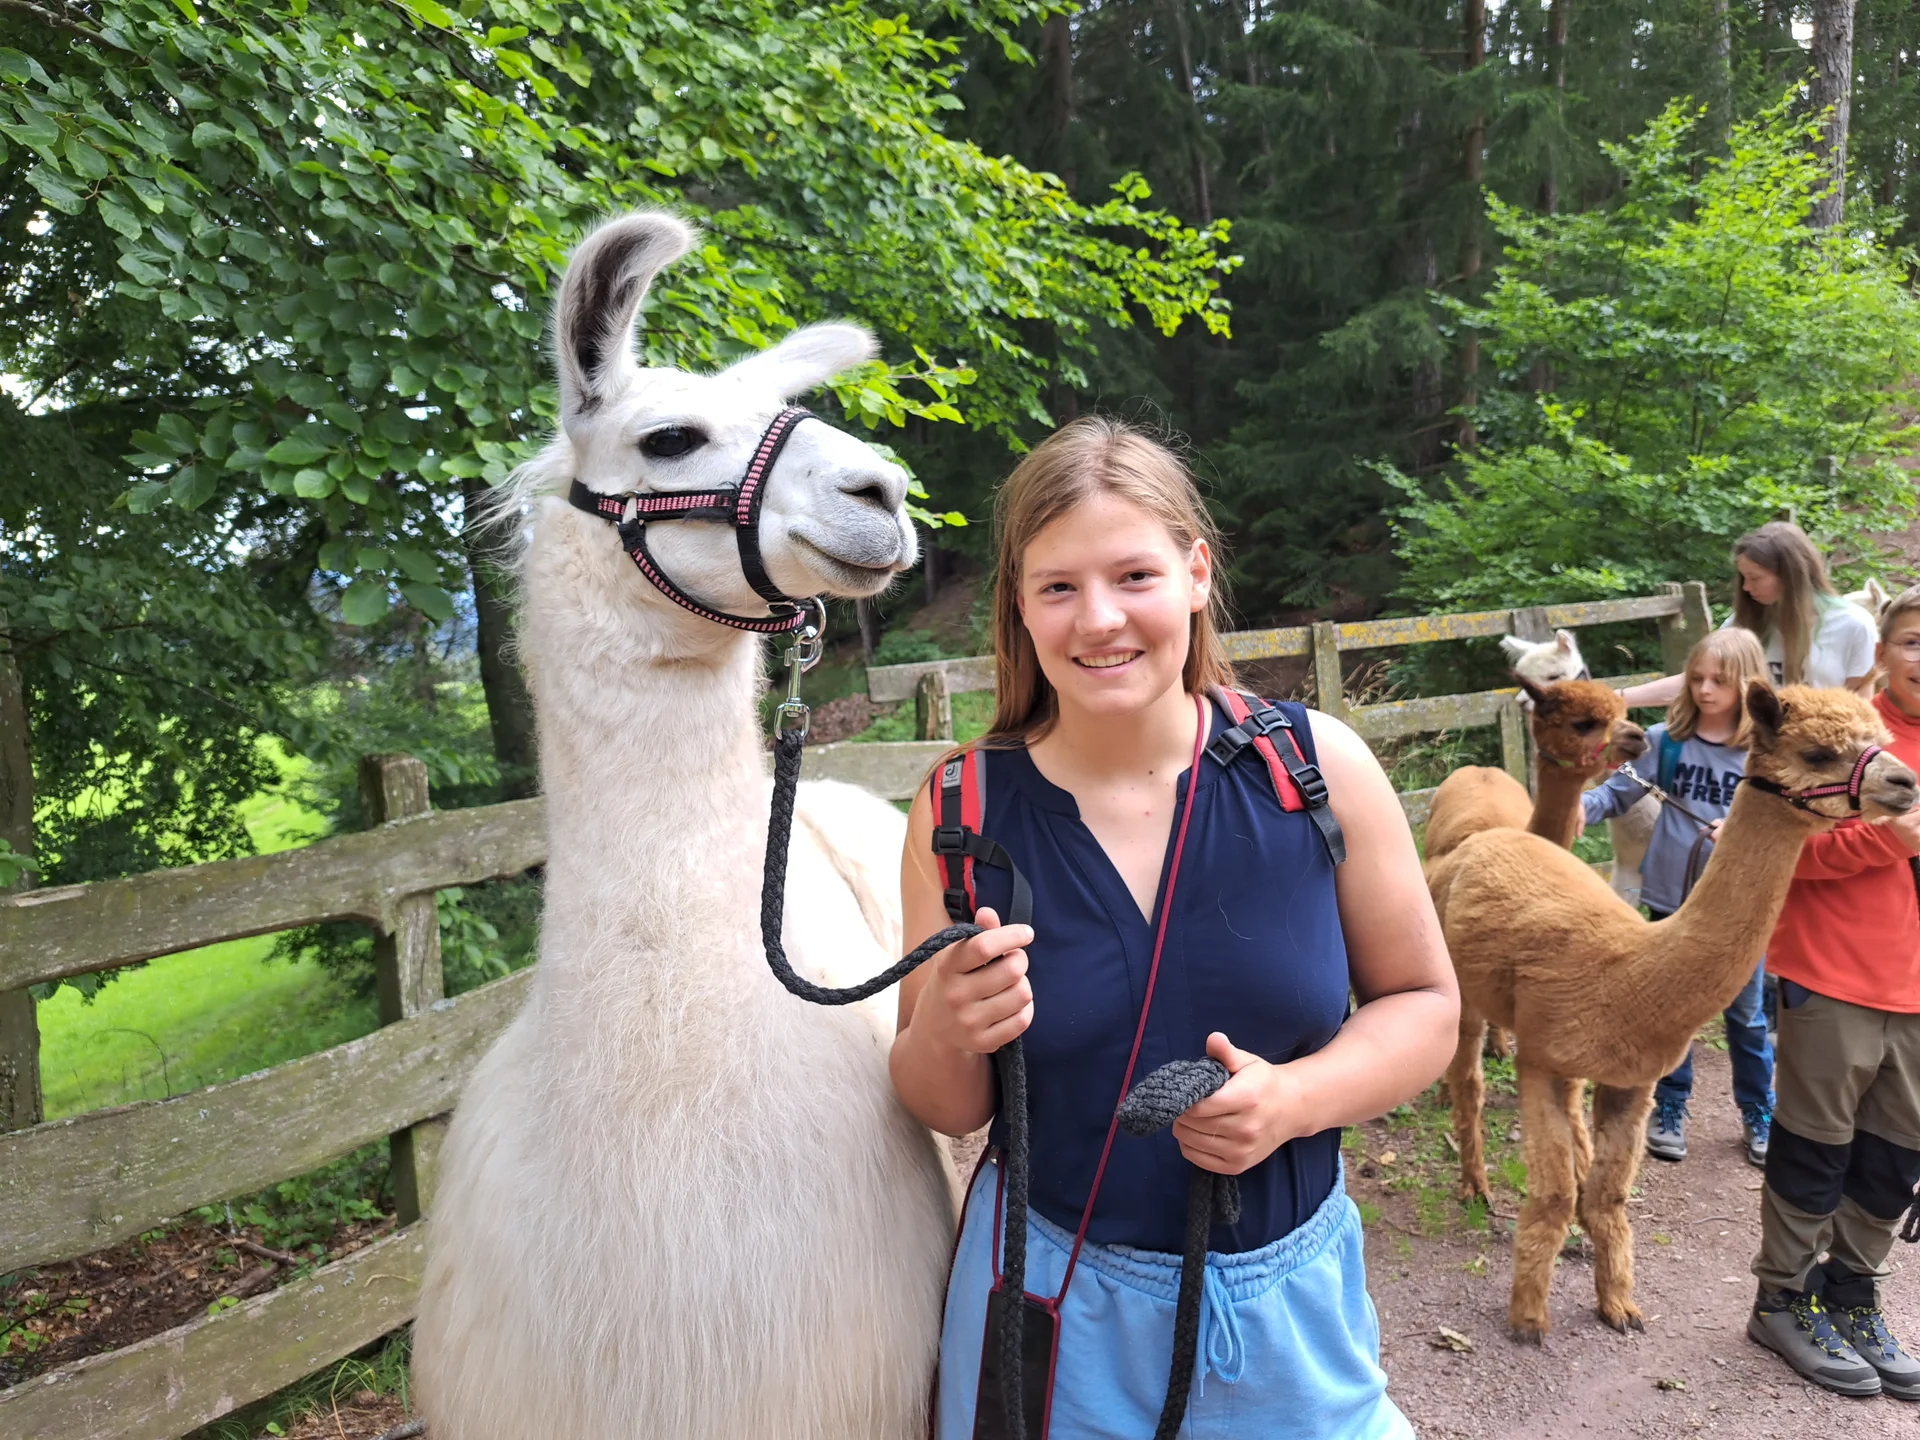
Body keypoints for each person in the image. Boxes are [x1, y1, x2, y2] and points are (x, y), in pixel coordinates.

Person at [887, 417, 1458, 1439]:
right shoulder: (961, 811)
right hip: (1049, 1316)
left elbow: (1424, 1005)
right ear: (1019, 604)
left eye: (1134, 576)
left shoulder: (1313, 771)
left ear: (1196, 574)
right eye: (1058, 587)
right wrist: (946, 1027)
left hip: (1288, 1319)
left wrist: (1293, 1101)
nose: (1099, 619)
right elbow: (943, 1102)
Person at [1747, 583, 1920, 1400]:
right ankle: (1782, 1299)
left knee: (1893, 1158)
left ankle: (1850, 1294)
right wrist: (1884, 843)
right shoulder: (1841, 736)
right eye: (1914, 641)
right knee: (1815, 1149)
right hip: (1834, 976)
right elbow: (1781, 849)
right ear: (1881, 652)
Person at [1580, 628, 1774, 1167]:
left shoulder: (1764, 751)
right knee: (1671, 1011)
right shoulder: (1665, 742)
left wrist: (1739, 828)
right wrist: (1576, 807)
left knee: (1746, 1015)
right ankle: (1670, 1105)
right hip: (1674, 898)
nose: (1706, 690)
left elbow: (1781, 816)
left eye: (1720, 681)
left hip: (1739, 908)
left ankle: (1759, 1110)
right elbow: (1617, 792)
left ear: (1747, 685)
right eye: (1697, 678)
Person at [1619, 522, 1877, 710]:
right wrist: (1619, 698)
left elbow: (1861, 710)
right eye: (1743, 577)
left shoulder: (1854, 626)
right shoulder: (1743, 623)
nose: (1745, 587)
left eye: (1755, 578)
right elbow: (1698, 681)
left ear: (1790, 574)